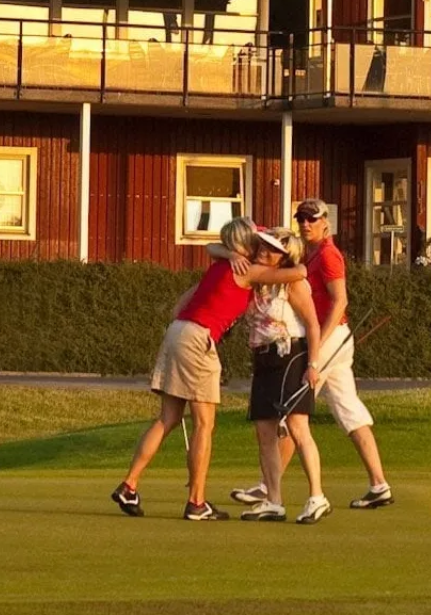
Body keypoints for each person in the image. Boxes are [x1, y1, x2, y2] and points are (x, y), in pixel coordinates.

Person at [112, 217, 305, 522]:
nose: (262, 247)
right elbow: (300, 272)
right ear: (247, 243)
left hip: (177, 331)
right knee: (204, 424)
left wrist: (228, 253)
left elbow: (199, 268)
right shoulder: (248, 271)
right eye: (257, 242)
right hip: (199, 338)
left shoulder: (219, 265)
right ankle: (197, 502)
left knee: (168, 417)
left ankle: (129, 484)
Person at [231, 198, 393, 511]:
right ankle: (379, 484)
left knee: (293, 412)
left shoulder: (329, 254)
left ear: (325, 222)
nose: (305, 224)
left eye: (311, 219)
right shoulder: (309, 252)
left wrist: (317, 347)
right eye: (301, 218)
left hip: (328, 338)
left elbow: (340, 301)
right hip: (332, 340)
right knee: (349, 411)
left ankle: (269, 488)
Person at [239, 228, 330, 523]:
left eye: (270, 250)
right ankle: (274, 500)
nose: (263, 253)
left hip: (291, 355)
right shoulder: (257, 282)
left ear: (284, 257)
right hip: (263, 357)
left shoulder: (294, 284)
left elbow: (313, 325)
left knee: (297, 426)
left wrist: (313, 365)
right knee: (264, 431)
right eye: (261, 248)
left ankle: (317, 496)